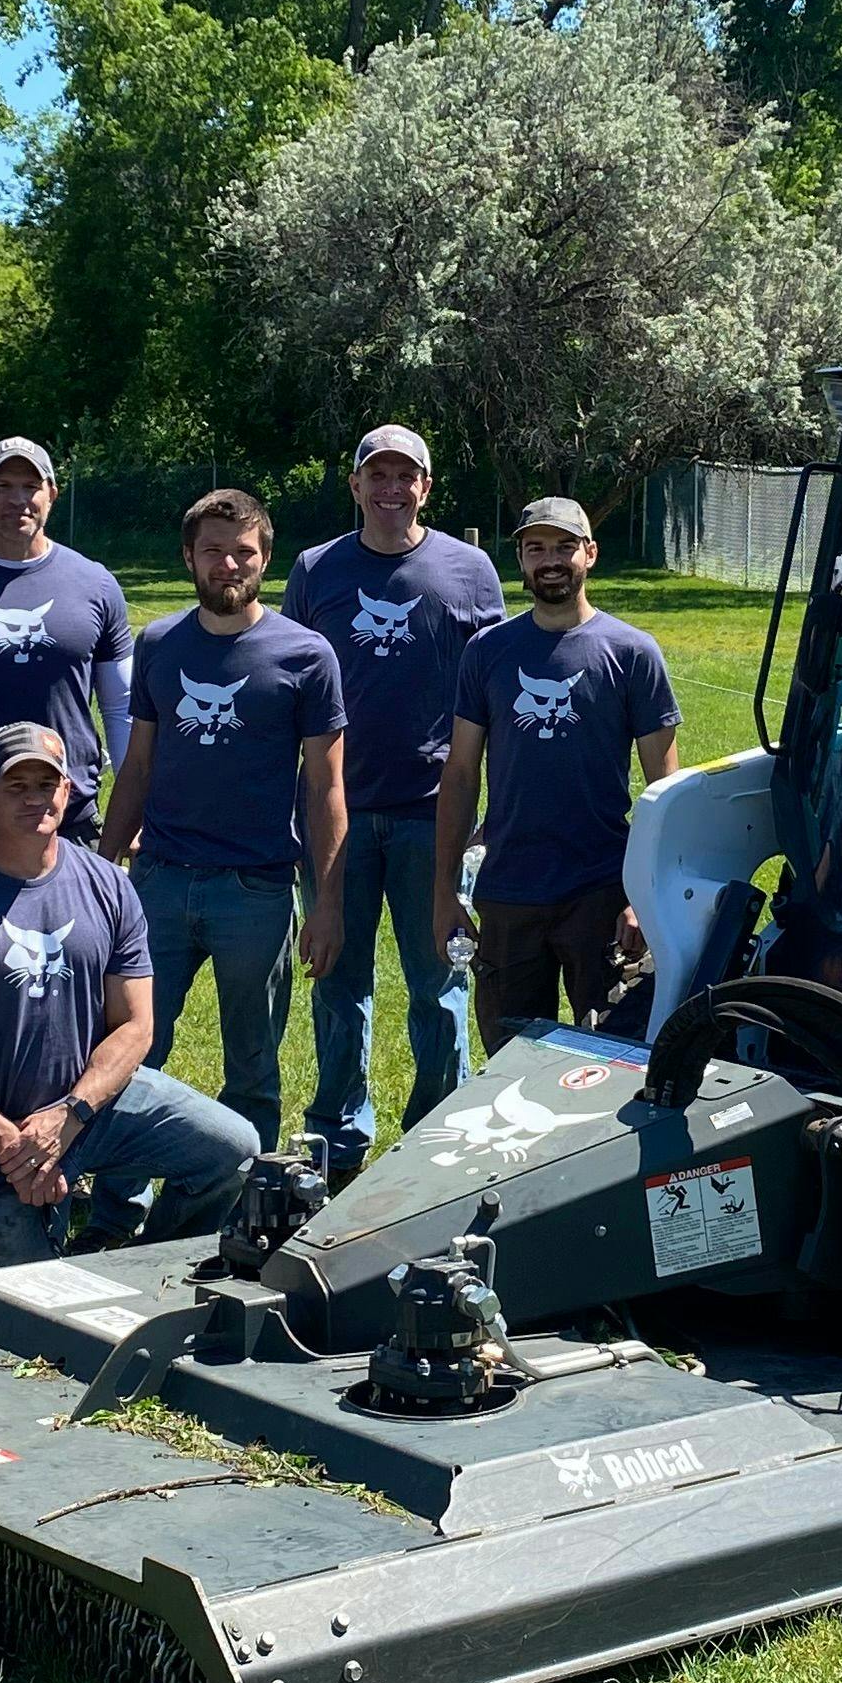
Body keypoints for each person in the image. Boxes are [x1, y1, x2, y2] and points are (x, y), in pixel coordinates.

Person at [0, 722, 258, 1276]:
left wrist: (71, 1115)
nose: (36, 797)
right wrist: (16, 1148)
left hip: (90, 1107)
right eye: (16, 785)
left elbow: (136, 1026)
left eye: (48, 783)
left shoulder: (108, 884)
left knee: (235, 1148)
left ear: (69, 791)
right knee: (25, 1299)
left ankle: (154, 1267)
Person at [282, 425, 507, 1179]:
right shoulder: (316, 570)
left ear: (426, 487)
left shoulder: (469, 569)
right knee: (337, 981)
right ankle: (338, 1140)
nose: (390, 488)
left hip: (431, 812)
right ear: (354, 485)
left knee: (438, 979)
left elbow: (497, 688)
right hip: (335, 812)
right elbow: (288, 682)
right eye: (375, 474)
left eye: (405, 476)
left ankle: (438, 1134)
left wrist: (491, 804)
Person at [100, 487, 345, 1158]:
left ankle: (244, 1198)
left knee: (254, 1065)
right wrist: (104, 867)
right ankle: (122, 1200)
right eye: (214, 551)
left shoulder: (306, 655)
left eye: (243, 553)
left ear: (266, 560)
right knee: (130, 1046)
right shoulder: (159, 645)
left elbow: (325, 787)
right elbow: (140, 765)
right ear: (189, 557)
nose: (228, 566)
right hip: (161, 880)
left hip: (257, 890)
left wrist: (325, 903)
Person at [435, 495, 680, 1043]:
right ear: (519, 560)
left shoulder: (633, 653)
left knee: (614, 1058)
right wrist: (444, 890)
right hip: (509, 892)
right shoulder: (488, 652)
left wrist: (645, 898)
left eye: (565, 547)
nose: (551, 560)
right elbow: (460, 774)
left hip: (601, 892)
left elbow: (665, 789)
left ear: (589, 554)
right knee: (508, 1063)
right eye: (536, 548)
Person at [0, 436, 132, 854]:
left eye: (31, 487)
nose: (18, 499)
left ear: (52, 494)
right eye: (2, 486)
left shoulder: (96, 584)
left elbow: (120, 707)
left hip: (66, 815)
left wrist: (133, 804)